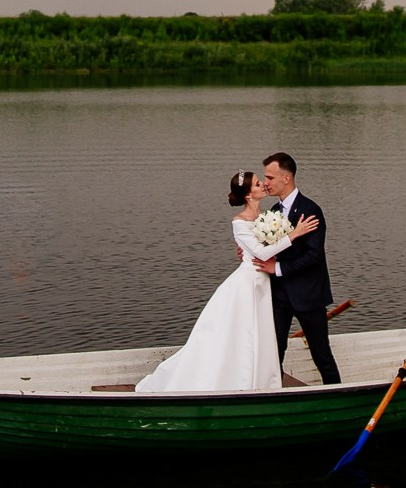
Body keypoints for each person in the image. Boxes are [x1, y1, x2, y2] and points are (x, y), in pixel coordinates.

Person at [138, 170, 322, 392]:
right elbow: (260, 253)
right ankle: (238, 381)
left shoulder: (267, 217)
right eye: (256, 184)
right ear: (248, 195)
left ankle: (262, 382)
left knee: (262, 334)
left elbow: (265, 248)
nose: (263, 184)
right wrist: (294, 234)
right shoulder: (240, 222)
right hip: (248, 283)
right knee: (243, 333)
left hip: (264, 282)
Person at [254, 152, 340, 384]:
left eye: (270, 178)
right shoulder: (272, 212)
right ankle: (276, 395)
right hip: (279, 296)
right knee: (274, 352)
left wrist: (278, 268)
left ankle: (336, 397)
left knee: (321, 354)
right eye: (264, 178)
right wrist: (248, 250)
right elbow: (265, 249)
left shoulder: (310, 210)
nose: (265, 183)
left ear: (287, 178)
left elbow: (313, 256)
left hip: (308, 295)